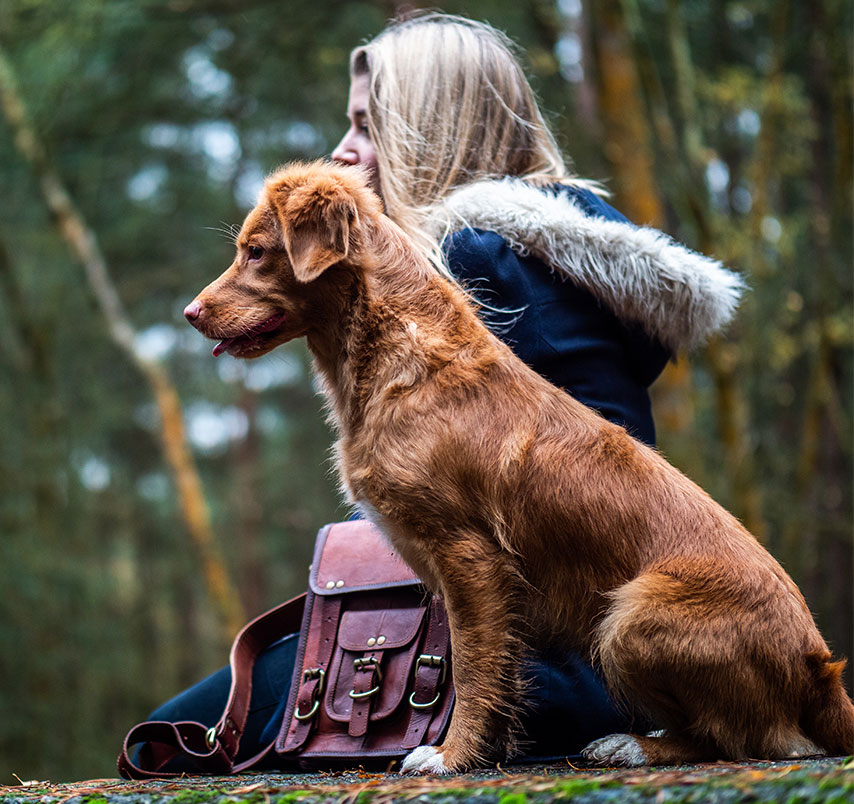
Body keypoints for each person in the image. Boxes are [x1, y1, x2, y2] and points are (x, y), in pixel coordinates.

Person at [139, 12, 743, 768]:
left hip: (551, 664)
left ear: (431, 129)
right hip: (585, 650)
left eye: (365, 124)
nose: (343, 149)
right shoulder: (544, 253)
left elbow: (498, 532)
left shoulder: (471, 263)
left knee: (174, 740)